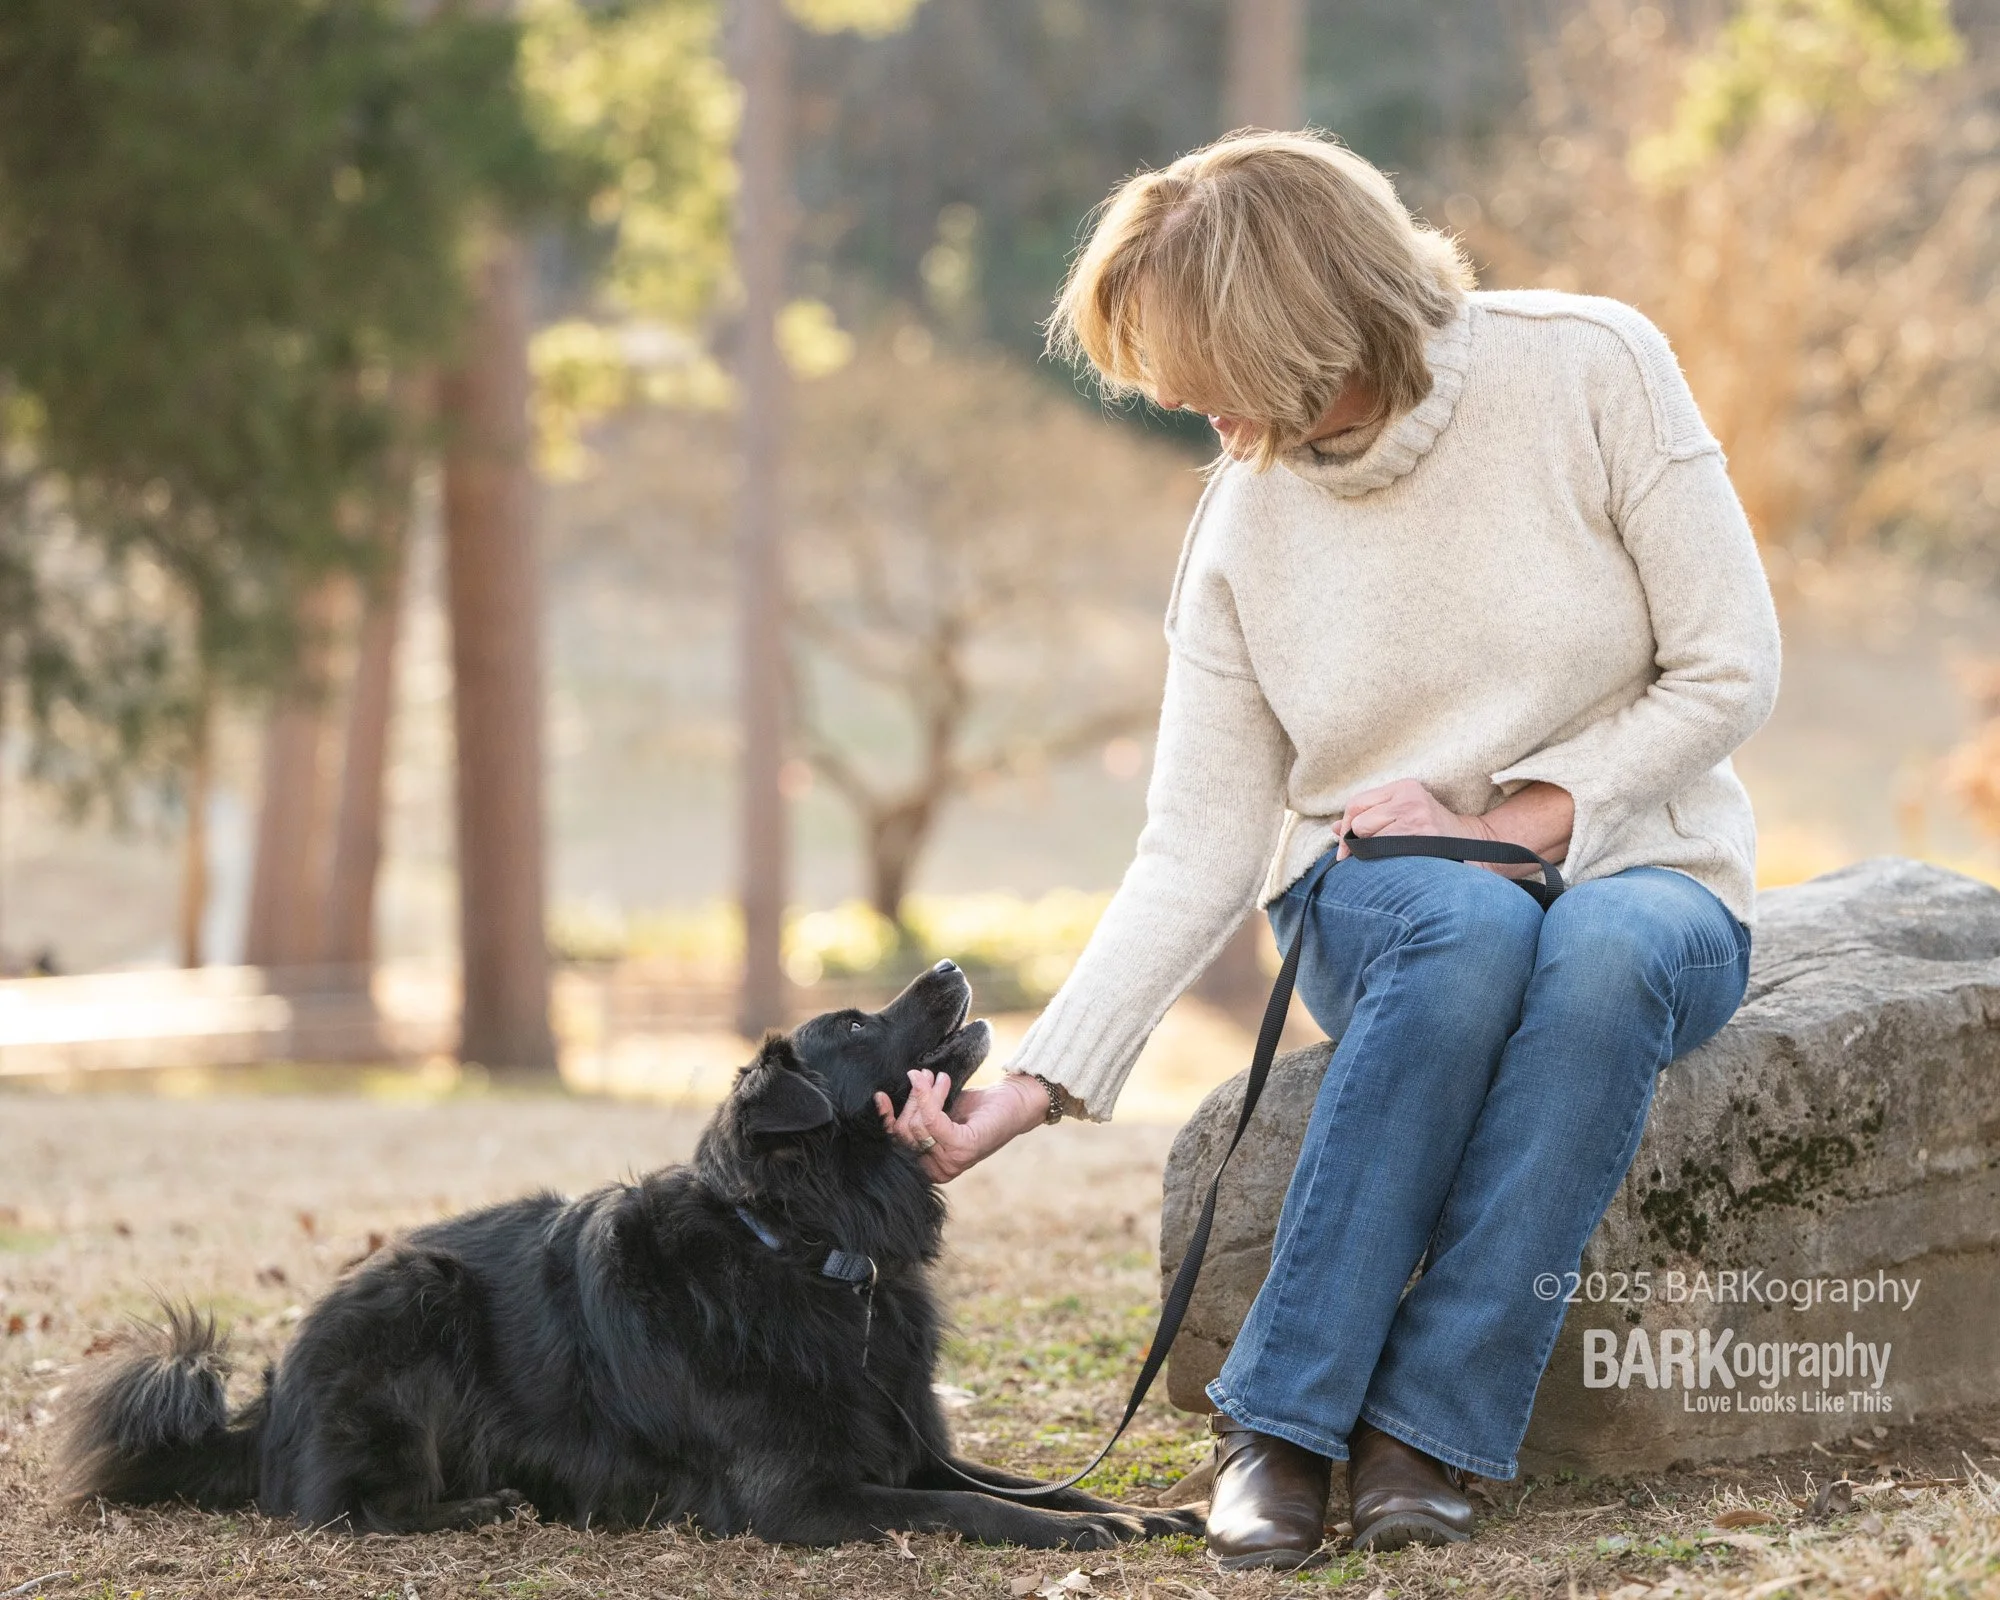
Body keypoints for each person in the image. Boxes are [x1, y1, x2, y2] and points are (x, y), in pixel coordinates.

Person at [874, 130, 1781, 1568]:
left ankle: (1421, 1430)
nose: (1171, 397)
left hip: (1647, 864)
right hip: (1388, 902)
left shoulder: (1593, 367)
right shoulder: (1242, 523)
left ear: (1302, 322)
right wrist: (1039, 1085)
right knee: (1472, 932)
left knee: (1602, 957)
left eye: (1191, 360)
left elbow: (1729, 666)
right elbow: (1198, 845)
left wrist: (1512, 821)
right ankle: (1283, 1425)